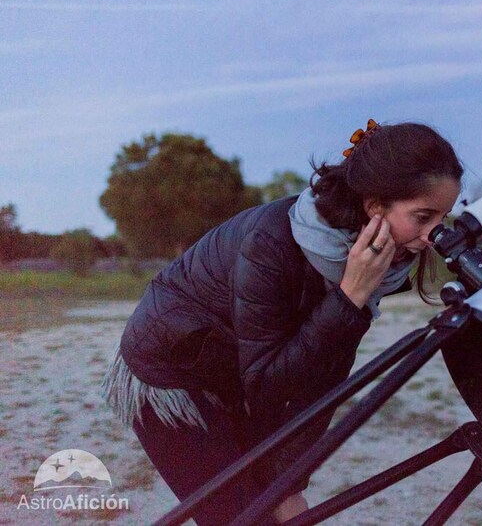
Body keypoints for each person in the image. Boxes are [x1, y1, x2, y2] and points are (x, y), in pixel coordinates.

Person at [102, 120, 463, 524]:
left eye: (442, 218)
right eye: (423, 216)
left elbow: (324, 378)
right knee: (238, 518)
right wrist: (348, 298)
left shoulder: (370, 263)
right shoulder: (274, 242)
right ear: (375, 206)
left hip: (235, 373)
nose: (433, 236)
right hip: (171, 370)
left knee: (274, 510)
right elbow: (268, 385)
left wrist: (291, 483)